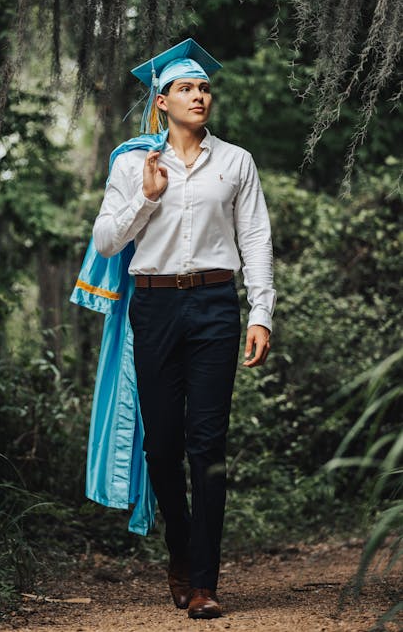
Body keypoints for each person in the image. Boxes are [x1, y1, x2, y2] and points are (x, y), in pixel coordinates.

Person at [91, 38, 276, 619]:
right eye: (187, 89)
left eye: (204, 88)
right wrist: (145, 201)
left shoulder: (236, 161)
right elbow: (104, 242)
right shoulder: (131, 164)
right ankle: (180, 551)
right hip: (155, 306)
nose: (200, 96)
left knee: (208, 445)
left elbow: (255, 241)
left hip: (217, 306)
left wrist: (261, 312)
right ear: (162, 101)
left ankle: (203, 581)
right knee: (162, 444)